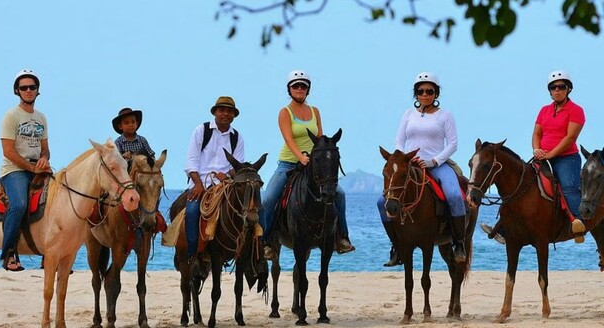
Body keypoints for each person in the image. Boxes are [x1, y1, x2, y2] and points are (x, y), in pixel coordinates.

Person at [481, 70, 586, 243]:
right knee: (521, 185)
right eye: (553, 87)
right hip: (543, 156)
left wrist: (550, 153)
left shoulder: (576, 111)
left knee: (568, 187)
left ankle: (577, 223)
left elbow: (570, 138)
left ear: (568, 89)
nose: (557, 90)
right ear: (550, 91)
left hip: (567, 157)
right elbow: (537, 134)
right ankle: (505, 227)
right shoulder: (544, 110)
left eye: (561, 86)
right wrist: (536, 149)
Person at [260, 70, 355, 259]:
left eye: (303, 85)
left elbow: (319, 137)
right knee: (269, 198)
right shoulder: (285, 112)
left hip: (313, 164)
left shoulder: (315, 111)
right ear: (290, 89)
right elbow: (288, 139)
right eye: (296, 85)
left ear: (308, 89)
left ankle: (342, 238)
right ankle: (265, 242)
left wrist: (324, 153)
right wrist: (300, 157)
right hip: (288, 163)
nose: (300, 88)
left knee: (340, 194)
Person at [377, 72, 467, 266]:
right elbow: (399, 141)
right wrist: (403, 159)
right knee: (380, 201)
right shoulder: (408, 114)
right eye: (420, 91)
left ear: (436, 93)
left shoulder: (445, 115)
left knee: (453, 195)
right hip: (410, 164)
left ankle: (459, 243)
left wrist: (433, 161)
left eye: (429, 91)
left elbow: (452, 144)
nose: (425, 94)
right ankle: (396, 246)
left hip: (437, 164)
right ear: (415, 94)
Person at [184, 96, 245, 277]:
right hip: (201, 182)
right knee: (192, 211)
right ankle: (193, 254)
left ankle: (250, 255)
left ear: (234, 115)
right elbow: (191, 160)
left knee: (248, 210)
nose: (225, 114)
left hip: (225, 185)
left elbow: (238, 166)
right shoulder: (201, 131)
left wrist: (227, 175)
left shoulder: (237, 137)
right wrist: (198, 184)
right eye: (222, 110)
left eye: (229, 111)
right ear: (215, 112)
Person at [0, 69, 52, 271]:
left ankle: (50, 253)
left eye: (32, 87)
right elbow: (8, 151)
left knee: (61, 198)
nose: (28, 90)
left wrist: (44, 160)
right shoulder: (11, 116)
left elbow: (45, 148)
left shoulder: (41, 117)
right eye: (24, 87)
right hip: (14, 170)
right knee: (19, 204)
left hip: (37, 167)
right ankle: (8, 252)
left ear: (38, 91)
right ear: (17, 91)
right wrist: (31, 167)